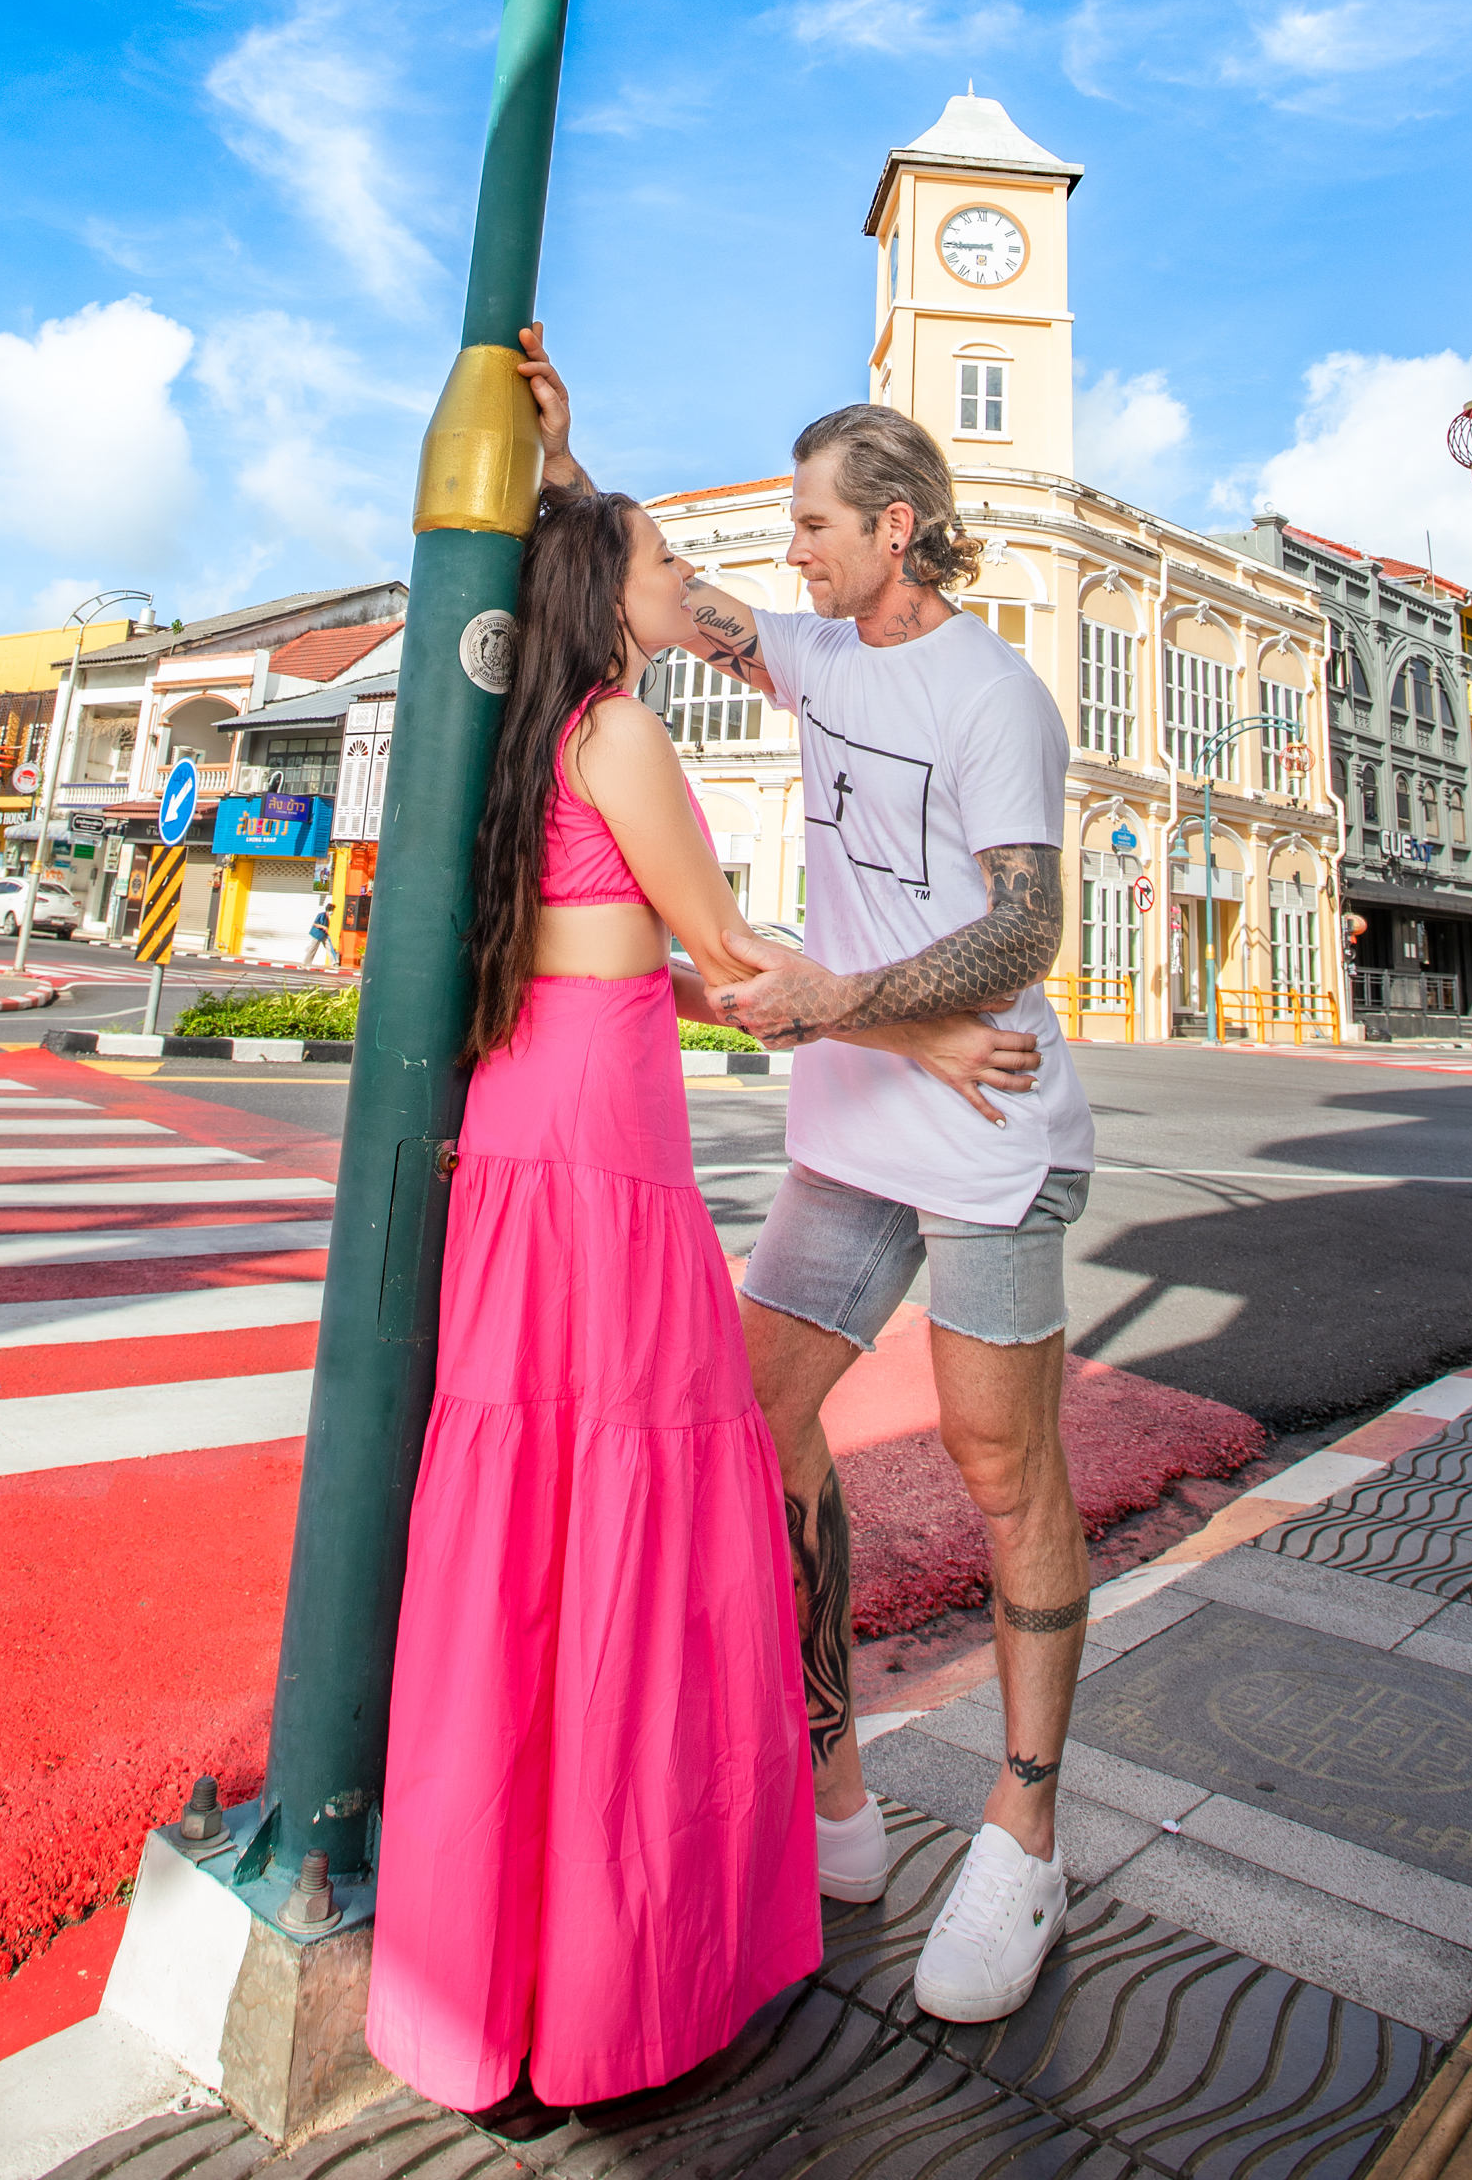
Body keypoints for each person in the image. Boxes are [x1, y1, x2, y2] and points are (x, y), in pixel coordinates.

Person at [365, 481, 1036, 2118]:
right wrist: (931, 1032)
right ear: (608, 592)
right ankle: (614, 1972)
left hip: (534, 1118)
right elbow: (734, 953)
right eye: (672, 561)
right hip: (605, 1151)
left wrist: (567, 447)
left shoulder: (534, 735)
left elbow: (634, 957)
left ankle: (487, 1968)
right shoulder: (622, 734)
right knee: (633, 1508)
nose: (704, 581)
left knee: (521, 1509)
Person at [521, 328, 1098, 2029]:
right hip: (854, 1133)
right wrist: (569, 459)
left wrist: (847, 1001)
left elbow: (1027, 926)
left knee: (1005, 1467)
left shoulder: (992, 693)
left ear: (899, 526)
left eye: (817, 526)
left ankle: (1026, 1831)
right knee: (760, 1414)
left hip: (990, 1128)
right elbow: (664, 602)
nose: (790, 551)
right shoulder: (814, 656)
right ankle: (836, 1787)